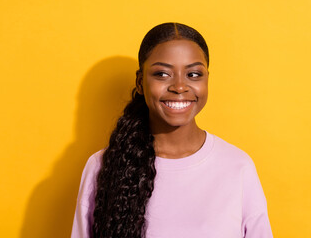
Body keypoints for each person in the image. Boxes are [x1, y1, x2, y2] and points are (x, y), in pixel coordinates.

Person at [71, 22, 273, 238]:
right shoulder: (102, 166)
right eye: (162, 74)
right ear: (140, 83)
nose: (179, 87)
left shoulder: (237, 166)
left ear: (207, 80)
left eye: (194, 74)